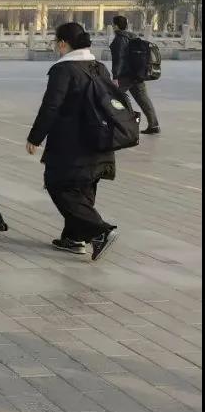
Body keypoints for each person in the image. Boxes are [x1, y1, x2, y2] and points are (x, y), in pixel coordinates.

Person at [27, 22, 119, 262]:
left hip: (71, 143)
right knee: (83, 187)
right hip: (100, 141)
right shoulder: (99, 67)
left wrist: (35, 137)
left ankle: (100, 232)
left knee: (59, 184)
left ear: (62, 43)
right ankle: (74, 238)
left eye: (55, 42)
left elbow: (51, 106)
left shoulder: (63, 70)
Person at [110, 15, 160, 135]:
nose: (112, 26)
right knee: (144, 100)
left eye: (113, 24)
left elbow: (119, 59)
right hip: (137, 74)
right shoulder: (133, 36)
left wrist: (115, 77)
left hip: (125, 76)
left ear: (116, 26)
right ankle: (154, 125)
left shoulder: (119, 39)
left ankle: (118, 125)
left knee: (112, 98)